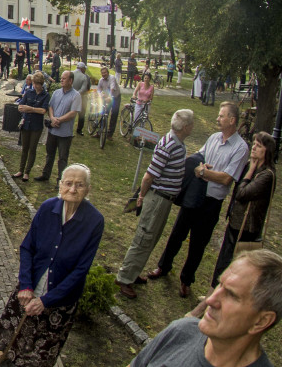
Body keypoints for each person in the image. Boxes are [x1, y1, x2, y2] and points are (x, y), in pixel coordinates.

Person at [0, 164, 104, 367]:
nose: (72, 188)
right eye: (68, 183)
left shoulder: (94, 221)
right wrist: (26, 285)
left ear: (87, 190)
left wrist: (46, 301)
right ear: (60, 185)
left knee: (46, 338)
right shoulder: (48, 207)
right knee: (14, 325)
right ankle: (6, 351)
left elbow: (81, 270)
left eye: (79, 185)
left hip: (61, 295)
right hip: (31, 283)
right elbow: (28, 247)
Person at [111, 250, 282, 367]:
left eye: (231, 295)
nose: (210, 300)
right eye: (219, 285)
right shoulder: (182, 331)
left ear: (261, 321)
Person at [148, 102, 249, 297]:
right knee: (178, 232)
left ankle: (186, 280)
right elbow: (198, 155)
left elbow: (227, 178)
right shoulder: (213, 138)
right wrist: (198, 166)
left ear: (232, 120)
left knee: (198, 242)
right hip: (195, 194)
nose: (217, 119)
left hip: (211, 202)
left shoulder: (241, 148)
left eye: (221, 116)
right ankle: (163, 266)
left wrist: (202, 172)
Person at [114, 109, 194, 298]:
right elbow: (149, 175)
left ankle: (132, 274)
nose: (193, 127)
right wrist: (141, 196)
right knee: (144, 238)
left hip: (164, 200)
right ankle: (124, 278)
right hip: (157, 198)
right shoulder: (169, 145)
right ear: (185, 127)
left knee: (151, 238)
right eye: (191, 124)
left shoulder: (177, 143)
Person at [212, 131, 276, 287]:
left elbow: (242, 193)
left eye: (258, 146)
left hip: (247, 227)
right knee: (224, 258)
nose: (253, 148)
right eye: (254, 144)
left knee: (235, 263)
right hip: (235, 220)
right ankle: (213, 291)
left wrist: (249, 173)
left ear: (267, 151)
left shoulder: (267, 175)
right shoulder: (249, 165)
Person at [35, 71, 81, 183]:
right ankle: (45, 175)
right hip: (53, 130)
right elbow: (51, 107)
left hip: (65, 133)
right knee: (49, 155)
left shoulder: (76, 95)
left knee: (62, 158)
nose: (61, 80)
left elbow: (73, 113)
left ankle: (61, 180)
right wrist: (52, 118)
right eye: (61, 78)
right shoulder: (56, 92)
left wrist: (59, 120)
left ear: (70, 81)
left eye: (64, 78)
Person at [13, 72, 50, 181]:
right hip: (26, 123)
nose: (35, 86)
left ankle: (27, 172)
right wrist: (23, 108)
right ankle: (21, 169)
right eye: (34, 83)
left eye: (37, 84)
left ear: (41, 84)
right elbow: (21, 105)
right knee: (24, 147)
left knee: (32, 148)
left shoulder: (45, 95)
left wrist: (30, 109)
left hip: (36, 125)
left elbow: (43, 110)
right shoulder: (29, 92)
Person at [96, 65, 122, 137]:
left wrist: (109, 96)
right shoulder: (101, 80)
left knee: (114, 114)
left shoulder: (112, 78)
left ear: (108, 72)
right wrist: (101, 95)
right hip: (107, 97)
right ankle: (99, 132)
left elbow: (112, 88)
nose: (103, 74)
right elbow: (99, 90)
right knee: (104, 113)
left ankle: (110, 134)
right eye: (102, 73)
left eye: (105, 72)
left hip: (115, 97)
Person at [72, 61, 91, 136]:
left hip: (71, 97)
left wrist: (72, 94)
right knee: (82, 114)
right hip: (82, 98)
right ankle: (79, 129)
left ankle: (70, 129)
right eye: (84, 69)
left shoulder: (71, 73)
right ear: (82, 69)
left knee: (71, 113)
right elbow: (85, 89)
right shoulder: (85, 77)